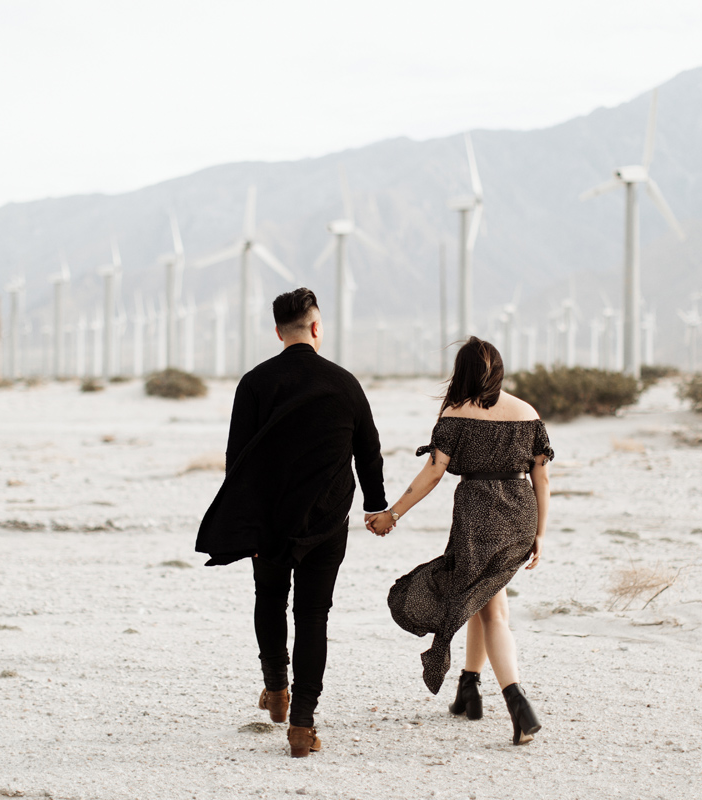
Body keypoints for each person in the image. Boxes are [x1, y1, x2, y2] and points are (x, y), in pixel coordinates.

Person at [196, 287, 388, 758]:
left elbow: (236, 459)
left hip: (270, 522)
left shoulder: (256, 382)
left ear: (278, 332)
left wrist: (245, 521)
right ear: (317, 328)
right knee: (313, 616)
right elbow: (369, 452)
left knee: (269, 599)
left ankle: (276, 689)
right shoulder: (345, 383)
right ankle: (302, 724)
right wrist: (376, 507)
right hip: (327, 521)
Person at [369, 336, 552, 746]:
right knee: (481, 596)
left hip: (477, 518)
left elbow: (432, 475)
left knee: (492, 612)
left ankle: (517, 702)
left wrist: (392, 513)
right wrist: (540, 533)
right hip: (520, 515)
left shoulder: (455, 415)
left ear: (463, 371)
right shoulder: (527, 413)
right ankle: (468, 687)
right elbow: (542, 477)